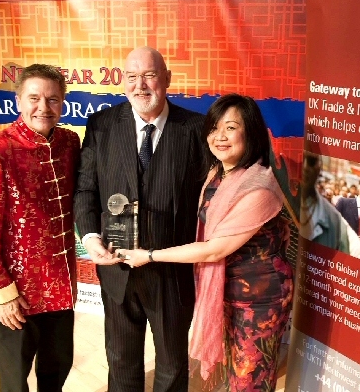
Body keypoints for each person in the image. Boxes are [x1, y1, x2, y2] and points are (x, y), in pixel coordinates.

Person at [120, 94, 293, 392]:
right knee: (228, 374)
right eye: (214, 128)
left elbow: (215, 249)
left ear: (250, 132)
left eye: (231, 127)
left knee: (249, 379)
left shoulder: (259, 187)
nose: (219, 136)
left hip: (258, 302)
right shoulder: (218, 174)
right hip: (225, 291)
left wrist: (149, 255)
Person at [73, 46, 204, 392]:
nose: (140, 85)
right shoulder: (101, 125)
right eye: (131, 77)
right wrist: (89, 238)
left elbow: (211, 202)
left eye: (149, 75)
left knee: (173, 364)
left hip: (171, 272)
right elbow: (85, 190)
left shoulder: (196, 129)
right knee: (120, 359)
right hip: (116, 269)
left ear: (167, 79)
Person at [0, 64, 80, 392]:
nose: (43, 107)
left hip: (59, 288)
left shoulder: (70, 143)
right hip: (16, 295)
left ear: (63, 103)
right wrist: (0, 295)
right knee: (14, 381)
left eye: (53, 99)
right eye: (34, 98)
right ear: (18, 100)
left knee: (57, 371)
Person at [299, 152, 360, 260]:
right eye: (301, 158)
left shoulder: (334, 221)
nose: (305, 167)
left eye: (311, 162)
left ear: (318, 167)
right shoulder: (277, 195)